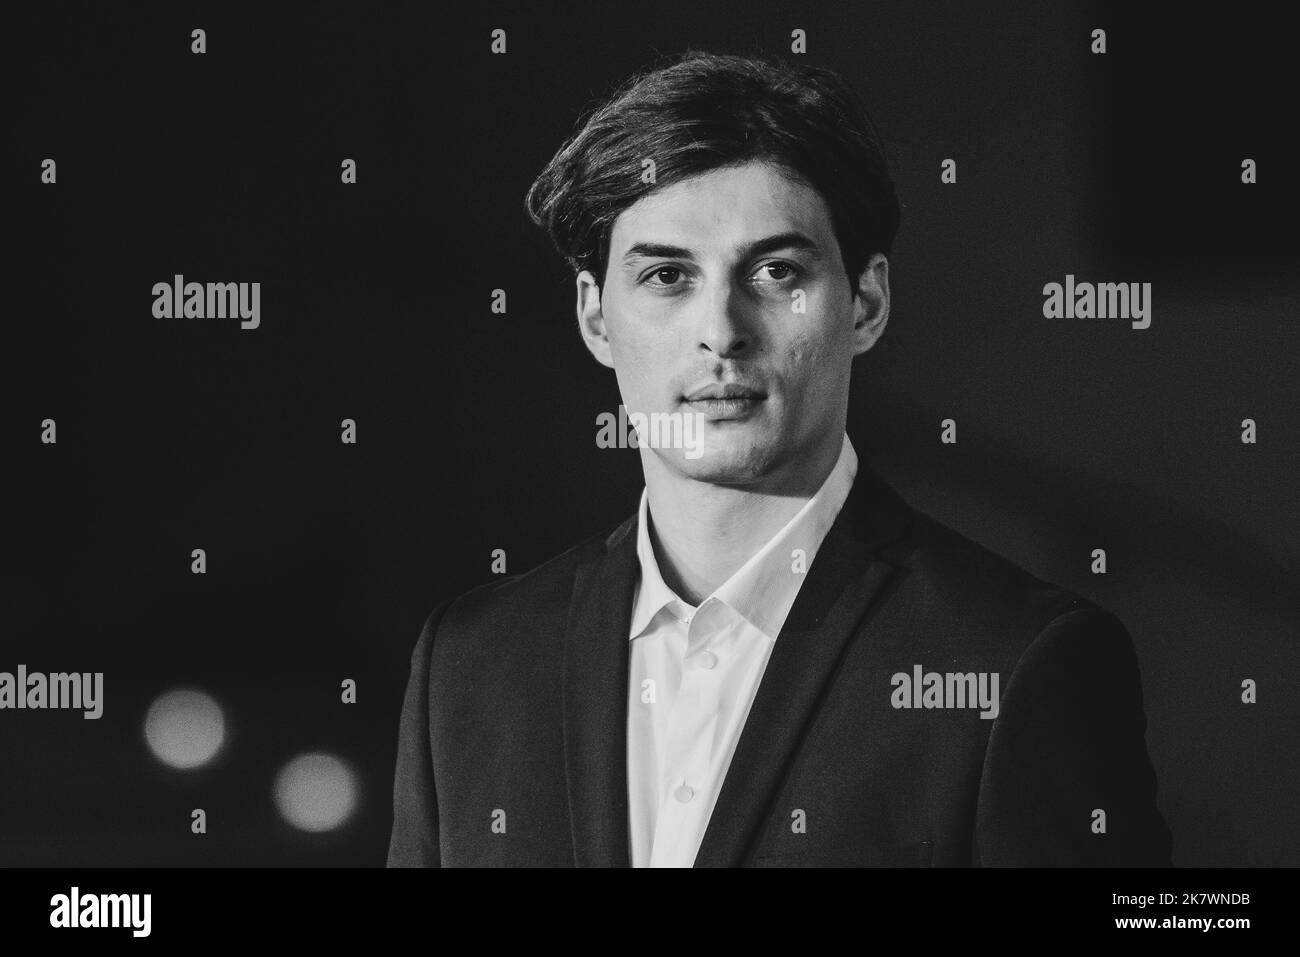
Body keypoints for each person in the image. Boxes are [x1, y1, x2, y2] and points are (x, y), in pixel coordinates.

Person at [387, 50, 1173, 867]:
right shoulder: (472, 664)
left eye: (774, 272)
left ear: (866, 303)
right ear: (594, 317)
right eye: (666, 275)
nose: (721, 331)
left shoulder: (1017, 661)